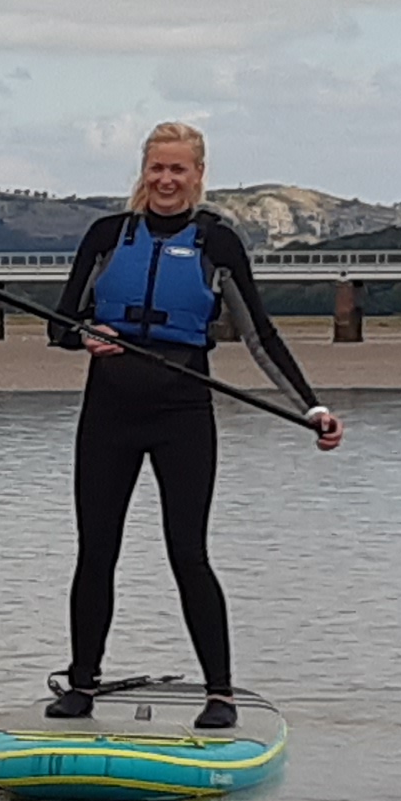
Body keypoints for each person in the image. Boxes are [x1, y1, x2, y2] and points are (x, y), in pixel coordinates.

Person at [45, 123, 342, 728]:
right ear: (144, 171)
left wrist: (311, 406)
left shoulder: (218, 244)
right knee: (96, 553)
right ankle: (81, 683)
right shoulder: (107, 237)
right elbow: (59, 326)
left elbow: (260, 336)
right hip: (108, 414)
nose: (166, 180)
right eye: (157, 168)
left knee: (189, 553)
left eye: (178, 169)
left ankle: (221, 692)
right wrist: (84, 335)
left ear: (199, 175)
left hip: (184, 416)